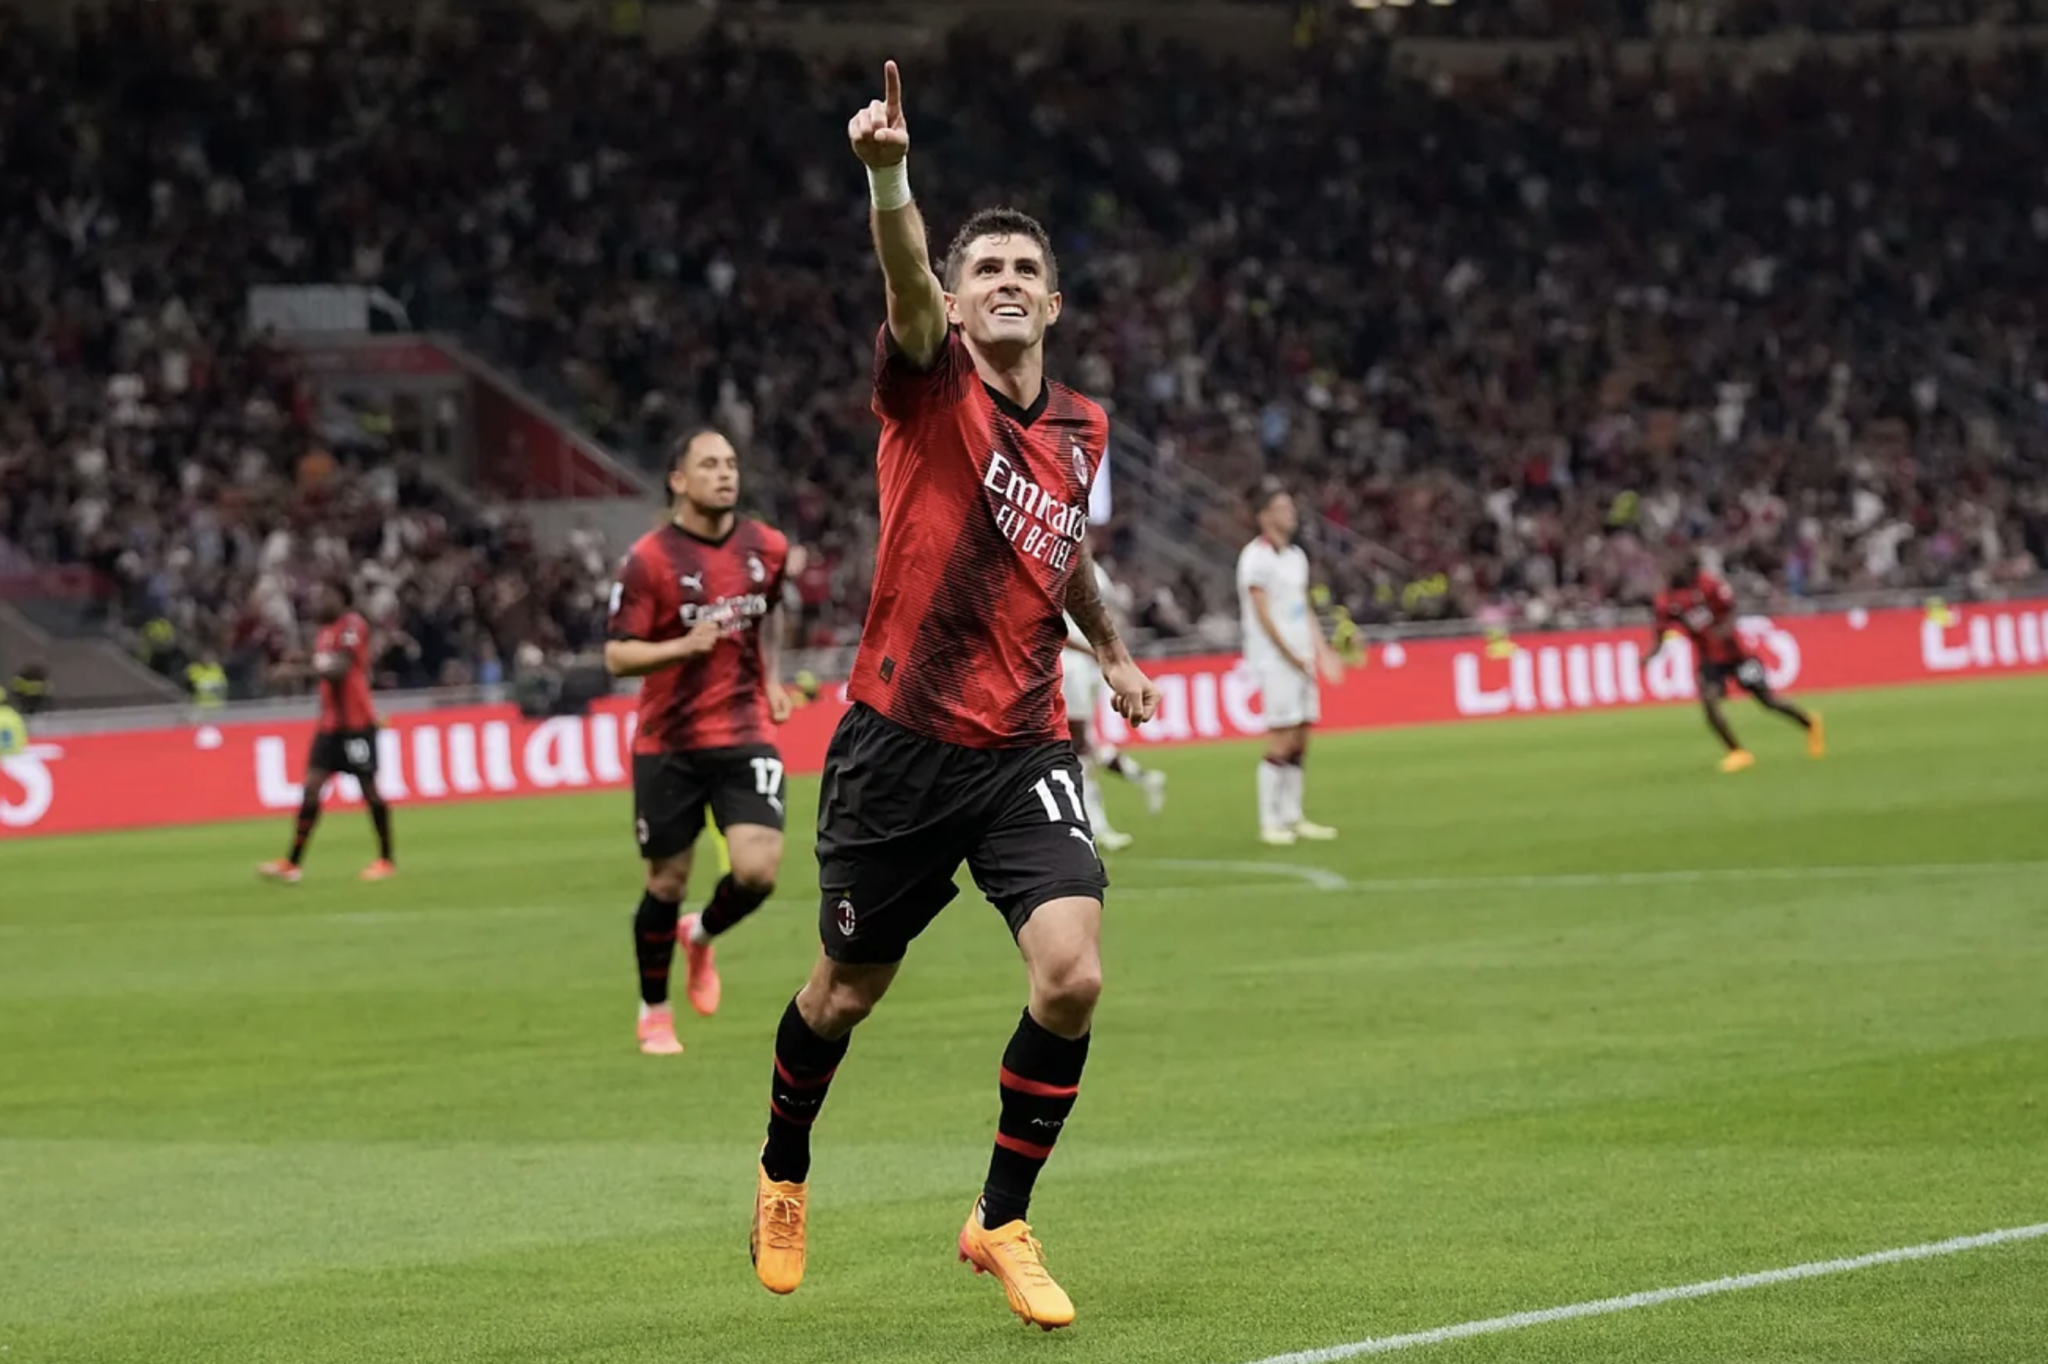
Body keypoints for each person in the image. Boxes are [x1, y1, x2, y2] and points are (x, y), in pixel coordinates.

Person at [747, 60, 1159, 1332]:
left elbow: (1065, 550)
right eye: (983, 271)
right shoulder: (928, 380)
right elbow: (901, 276)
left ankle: (1000, 1214)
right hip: (896, 745)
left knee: (1073, 973)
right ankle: (782, 1166)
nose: (1003, 285)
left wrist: (1116, 651)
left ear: (1054, 299)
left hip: (1021, 742)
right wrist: (887, 175)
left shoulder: (1081, 426)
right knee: (842, 990)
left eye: (1023, 271)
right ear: (957, 296)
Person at [605, 429, 793, 1056]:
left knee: (758, 872)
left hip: (744, 732)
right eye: (709, 464)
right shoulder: (648, 560)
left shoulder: (768, 546)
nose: (725, 474)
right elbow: (616, 654)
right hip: (670, 742)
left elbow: (771, 615)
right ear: (678, 480)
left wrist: (773, 679)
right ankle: (654, 1009)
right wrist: (682, 648)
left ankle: (703, 935)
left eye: (732, 464)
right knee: (666, 880)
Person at [259, 581, 395, 883]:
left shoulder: (352, 625)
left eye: (326, 595)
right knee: (310, 788)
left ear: (341, 597)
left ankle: (386, 859)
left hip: (357, 724)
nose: (319, 601)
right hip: (330, 726)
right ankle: (292, 864)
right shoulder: (324, 633)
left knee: (369, 791)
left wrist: (296, 671)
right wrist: (301, 659)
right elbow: (323, 662)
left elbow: (340, 669)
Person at [1236, 482, 1343, 845]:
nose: (1290, 514)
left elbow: (1303, 609)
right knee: (1280, 739)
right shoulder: (1256, 558)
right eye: (1282, 508)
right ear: (1264, 516)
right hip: (1276, 660)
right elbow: (1263, 614)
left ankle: (1293, 815)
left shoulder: (1296, 556)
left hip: (1301, 657)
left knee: (1300, 737)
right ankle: (1270, 822)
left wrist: (1321, 651)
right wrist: (1289, 655)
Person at [1647, 556, 1824, 772]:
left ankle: (1810, 723)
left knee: (1768, 701)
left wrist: (1724, 629)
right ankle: (1738, 752)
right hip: (1709, 659)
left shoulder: (1708, 585)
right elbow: (1660, 633)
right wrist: (1648, 657)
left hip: (1738, 655)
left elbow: (1731, 608)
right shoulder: (1666, 600)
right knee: (1709, 702)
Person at [1060, 552, 1166, 851]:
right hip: (1071, 664)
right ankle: (1097, 823)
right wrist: (1097, 650)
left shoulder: (1094, 570)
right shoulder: (1055, 558)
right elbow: (1054, 624)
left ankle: (1098, 820)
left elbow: (1109, 614)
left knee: (1081, 745)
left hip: (1087, 668)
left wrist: (1109, 651)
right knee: (1079, 746)